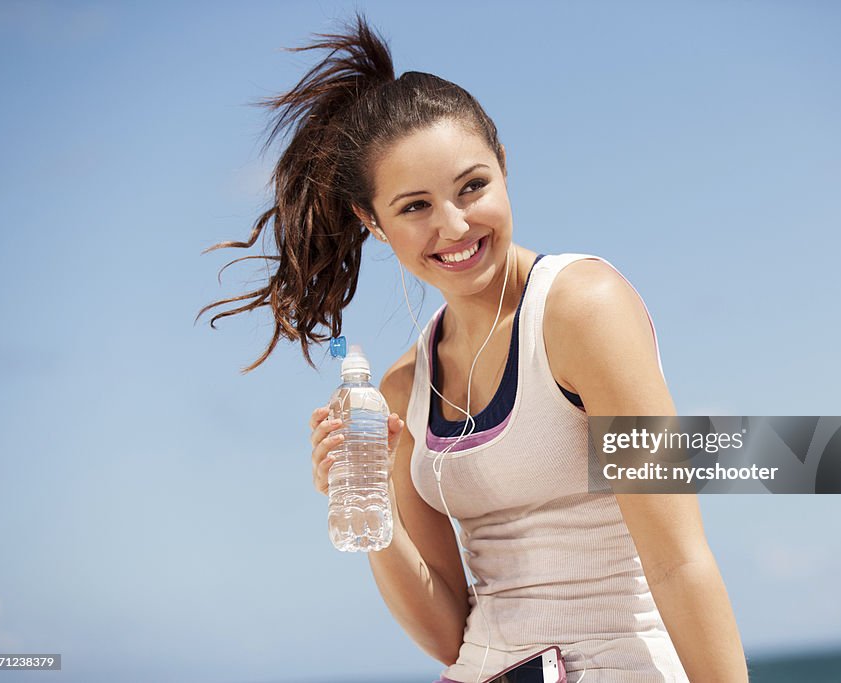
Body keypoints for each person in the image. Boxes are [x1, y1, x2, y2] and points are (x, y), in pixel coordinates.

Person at [199, 13, 748, 683]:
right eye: (414, 206)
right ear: (372, 222)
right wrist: (365, 505)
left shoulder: (582, 309)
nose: (454, 225)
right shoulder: (402, 389)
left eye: (472, 186)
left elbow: (678, 561)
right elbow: (446, 630)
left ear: (504, 164)